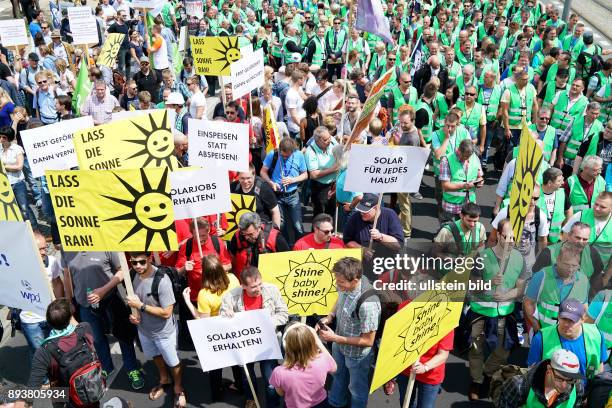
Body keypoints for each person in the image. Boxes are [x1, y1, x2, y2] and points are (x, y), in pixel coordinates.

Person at [61, 251, 144, 389]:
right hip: (85, 305)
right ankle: (106, 367)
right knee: (97, 339)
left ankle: (132, 369)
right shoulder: (66, 248)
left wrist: (103, 290)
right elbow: (67, 275)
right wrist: (69, 300)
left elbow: (121, 271)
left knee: (123, 336)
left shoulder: (103, 241)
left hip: (110, 300)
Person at [467, 218, 526, 400]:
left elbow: (520, 288)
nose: (510, 240)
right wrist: (489, 283)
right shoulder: (482, 256)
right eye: (507, 236)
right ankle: (476, 382)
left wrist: (507, 296)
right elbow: (471, 285)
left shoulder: (519, 258)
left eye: (513, 237)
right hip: (481, 313)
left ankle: (487, 372)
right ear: (498, 235)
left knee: (503, 351)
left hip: (505, 314)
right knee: (476, 349)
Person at [220, 266, 289, 408]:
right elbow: (222, 318)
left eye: (260, 284)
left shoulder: (272, 290)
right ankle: (251, 399)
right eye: (253, 287)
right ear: (243, 286)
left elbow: (283, 313)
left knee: (270, 379)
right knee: (247, 377)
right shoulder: (230, 297)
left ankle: (273, 405)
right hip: (245, 344)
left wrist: (270, 322)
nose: (258, 289)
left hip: (268, 343)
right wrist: (226, 315)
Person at [317, 257, 381, 408]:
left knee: (356, 389)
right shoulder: (346, 284)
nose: (337, 285)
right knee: (338, 376)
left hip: (357, 355)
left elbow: (368, 341)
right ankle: (336, 403)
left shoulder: (368, 304)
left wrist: (335, 338)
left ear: (355, 280)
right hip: (340, 345)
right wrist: (330, 316)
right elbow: (340, 298)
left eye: (341, 283)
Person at [126, 252, 186, 407]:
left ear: (150, 259)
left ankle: (178, 388)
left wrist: (141, 307)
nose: (138, 266)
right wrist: (135, 315)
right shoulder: (132, 275)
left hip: (164, 332)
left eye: (142, 262)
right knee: (155, 355)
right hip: (144, 330)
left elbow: (167, 313)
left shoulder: (161, 281)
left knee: (173, 362)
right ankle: (164, 379)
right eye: (134, 262)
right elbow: (135, 302)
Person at [182, 254, 240, 401]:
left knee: (216, 366)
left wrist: (188, 302)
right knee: (237, 362)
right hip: (234, 328)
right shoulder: (233, 279)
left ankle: (217, 392)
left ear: (205, 273)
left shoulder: (204, 294)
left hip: (217, 334)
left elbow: (202, 320)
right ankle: (240, 385)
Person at [27, 299, 105, 407]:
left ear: (49, 322)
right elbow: (76, 325)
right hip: (92, 391)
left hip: (65, 400)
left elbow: (32, 388)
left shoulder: (44, 351)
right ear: (71, 315)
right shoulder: (85, 328)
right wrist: (66, 312)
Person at [527, 298, 607, 380]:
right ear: (558, 316)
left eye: (572, 320)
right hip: (555, 391)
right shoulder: (541, 338)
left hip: (587, 390)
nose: (566, 324)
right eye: (563, 318)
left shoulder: (596, 334)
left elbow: (600, 366)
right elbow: (532, 371)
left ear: (583, 319)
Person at [524, 244, 590, 332]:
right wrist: (537, 328)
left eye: (574, 266)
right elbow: (528, 303)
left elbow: (584, 308)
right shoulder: (541, 276)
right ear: (558, 260)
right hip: (545, 332)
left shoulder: (583, 280)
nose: (570, 269)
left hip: (570, 335)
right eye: (566, 264)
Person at [269, 323, 337, 408]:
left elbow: (281, 393)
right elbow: (334, 367)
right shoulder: (322, 360)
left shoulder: (279, 372)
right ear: (313, 342)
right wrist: (317, 340)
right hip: (321, 404)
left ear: (287, 347)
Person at [19, 232, 63, 354]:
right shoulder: (19, 265)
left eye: (45, 248)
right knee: (40, 355)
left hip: (50, 315)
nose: (44, 252)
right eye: (40, 249)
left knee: (57, 351)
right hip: (31, 321)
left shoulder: (52, 262)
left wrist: (60, 307)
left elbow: (57, 283)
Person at [496, 349, 586, 407]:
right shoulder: (519, 385)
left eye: (570, 380)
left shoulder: (578, 386)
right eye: (559, 378)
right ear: (549, 369)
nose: (564, 385)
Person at [261, 137, 308, 246]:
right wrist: (271, 183)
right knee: (279, 225)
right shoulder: (273, 154)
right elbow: (263, 172)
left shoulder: (299, 155)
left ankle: (300, 247)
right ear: (280, 149)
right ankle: (282, 247)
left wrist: (293, 180)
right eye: (283, 155)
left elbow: (305, 175)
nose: (285, 157)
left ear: (293, 151)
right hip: (277, 196)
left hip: (293, 195)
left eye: (288, 155)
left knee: (298, 225)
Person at [228, 212, 290, 279]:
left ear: (259, 228)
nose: (246, 238)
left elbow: (287, 260)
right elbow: (231, 259)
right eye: (244, 234)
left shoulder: (276, 238)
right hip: (245, 281)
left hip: (270, 280)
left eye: (250, 234)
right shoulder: (237, 237)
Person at [439, 139, 484, 223]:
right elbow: (445, 186)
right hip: (451, 207)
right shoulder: (446, 160)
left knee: (466, 234)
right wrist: (464, 186)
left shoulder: (474, 157)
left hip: (469, 206)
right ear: (458, 150)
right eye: (464, 156)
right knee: (449, 232)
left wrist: (480, 182)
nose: (466, 159)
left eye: (468, 157)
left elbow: (480, 176)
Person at [305, 126, 338, 218]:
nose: (329, 140)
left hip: (334, 184)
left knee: (332, 213)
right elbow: (313, 174)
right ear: (317, 140)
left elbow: (339, 150)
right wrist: (333, 169)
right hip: (320, 188)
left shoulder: (332, 141)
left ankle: (329, 232)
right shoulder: (310, 152)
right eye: (325, 139)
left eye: (329, 137)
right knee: (320, 215)